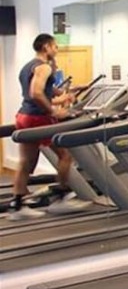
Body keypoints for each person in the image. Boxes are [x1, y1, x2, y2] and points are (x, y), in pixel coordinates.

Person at [8, 34, 77, 221]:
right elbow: (36, 93)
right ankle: (60, 199)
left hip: (24, 115)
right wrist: (53, 111)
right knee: (65, 156)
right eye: (55, 46)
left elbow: (41, 92)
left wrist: (63, 95)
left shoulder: (28, 66)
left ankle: (17, 206)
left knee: (25, 162)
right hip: (38, 118)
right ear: (46, 46)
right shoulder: (44, 66)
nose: (56, 50)